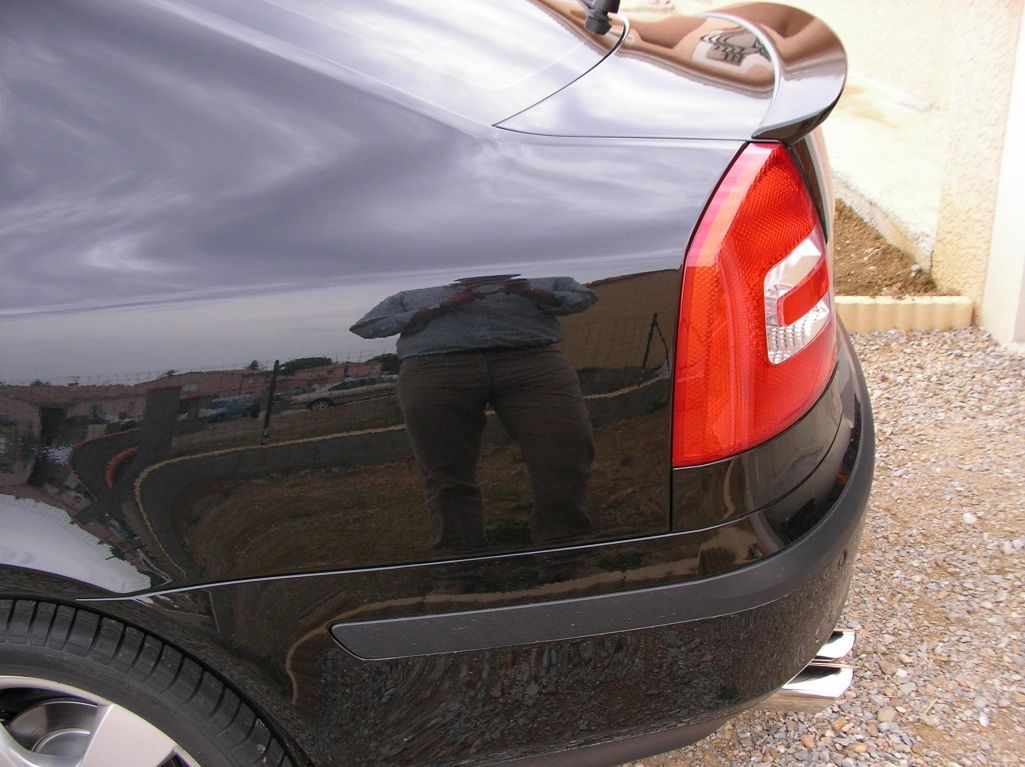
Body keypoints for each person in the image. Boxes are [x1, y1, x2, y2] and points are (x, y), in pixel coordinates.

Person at [350, 275, 598, 551]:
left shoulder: (547, 281)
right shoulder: (410, 294)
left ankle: (565, 547)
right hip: (435, 368)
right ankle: (460, 557)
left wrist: (533, 293)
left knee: (567, 450)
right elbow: (367, 327)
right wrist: (441, 306)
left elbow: (585, 298)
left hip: (532, 360)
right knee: (444, 466)